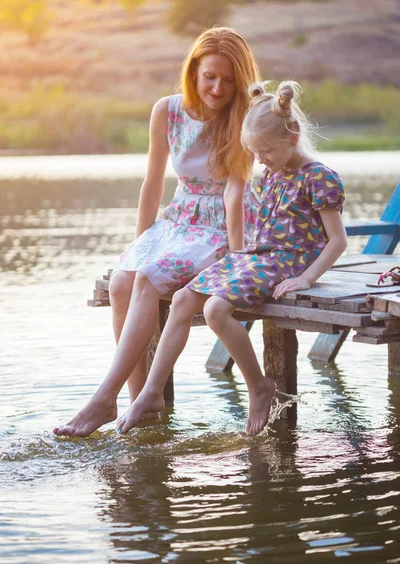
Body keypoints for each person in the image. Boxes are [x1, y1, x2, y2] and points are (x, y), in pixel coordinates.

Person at [53, 27, 260, 437]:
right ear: (193, 73)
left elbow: (236, 192)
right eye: (210, 77)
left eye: (228, 79)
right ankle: (135, 402)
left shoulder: (244, 117)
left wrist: (239, 258)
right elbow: (153, 183)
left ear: (240, 81)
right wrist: (140, 241)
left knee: (148, 280)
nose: (218, 88)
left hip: (224, 222)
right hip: (178, 217)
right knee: (121, 282)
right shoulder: (166, 110)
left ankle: (103, 399)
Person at [116, 80, 347, 436]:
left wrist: (307, 278)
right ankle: (150, 394)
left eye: (266, 151)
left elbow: (338, 242)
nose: (260, 160)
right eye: (255, 153)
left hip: (289, 263)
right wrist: (237, 253)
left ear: (293, 135)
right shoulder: (272, 172)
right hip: (259, 257)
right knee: (181, 299)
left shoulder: (319, 177)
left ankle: (258, 385)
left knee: (214, 309)